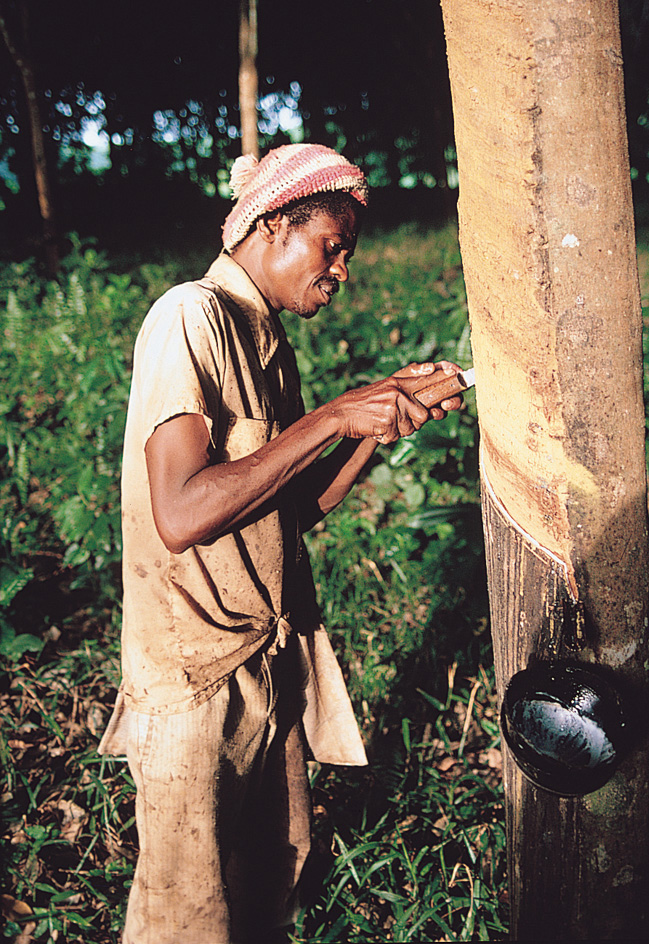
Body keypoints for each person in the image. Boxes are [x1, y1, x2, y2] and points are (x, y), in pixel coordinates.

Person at [99, 143, 462, 944]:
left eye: (347, 254)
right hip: (194, 674)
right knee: (186, 912)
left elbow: (291, 506)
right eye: (330, 246)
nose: (341, 271)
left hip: (265, 662)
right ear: (270, 225)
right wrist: (333, 416)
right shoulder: (189, 317)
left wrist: (381, 419)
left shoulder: (266, 340)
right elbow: (183, 514)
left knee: (269, 879)